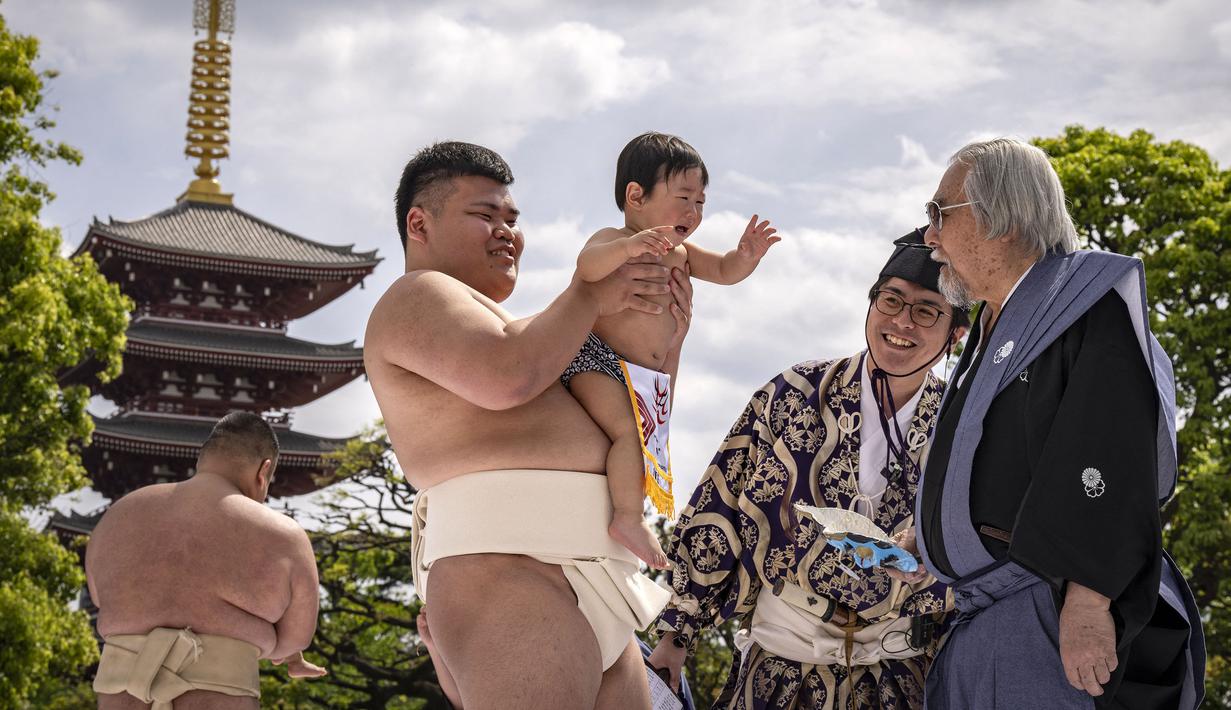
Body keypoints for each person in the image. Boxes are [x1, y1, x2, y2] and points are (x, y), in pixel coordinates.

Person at [365, 141, 693, 709]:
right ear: (420, 223)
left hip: (596, 579)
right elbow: (506, 377)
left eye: (512, 219)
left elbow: (637, 432)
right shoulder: (417, 295)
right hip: (510, 571)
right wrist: (591, 293)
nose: (505, 232)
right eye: (485, 215)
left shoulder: (534, 331)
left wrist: (665, 352)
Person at [913, 137, 1205, 708]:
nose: (930, 237)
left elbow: (1111, 448)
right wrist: (932, 533)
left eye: (938, 213)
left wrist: (1091, 598)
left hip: (1047, 615)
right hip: (979, 617)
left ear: (1003, 219)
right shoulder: (990, 329)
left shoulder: (1088, 304)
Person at [648, 229, 968, 709]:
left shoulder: (963, 424)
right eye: (890, 301)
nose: (902, 322)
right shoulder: (794, 393)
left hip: (900, 680)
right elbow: (721, 507)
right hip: (778, 668)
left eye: (926, 311)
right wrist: (677, 632)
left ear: (956, 333)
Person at [567, 131, 780, 569]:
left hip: (646, 376)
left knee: (646, 444)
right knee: (629, 432)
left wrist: (746, 255)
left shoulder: (682, 253)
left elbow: (722, 270)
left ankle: (634, 511)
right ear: (635, 196)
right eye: (683, 197)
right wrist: (628, 248)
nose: (693, 211)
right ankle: (627, 518)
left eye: (701, 202)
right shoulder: (614, 237)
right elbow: (586, 268)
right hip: (596, 360)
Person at [86, 411, 323, 709]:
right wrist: (279, 649)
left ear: (203, 460)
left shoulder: (116, 517)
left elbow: (99, 596)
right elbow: (295, 638)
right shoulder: (284, 535)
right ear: (263, 473)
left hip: (119, 699)